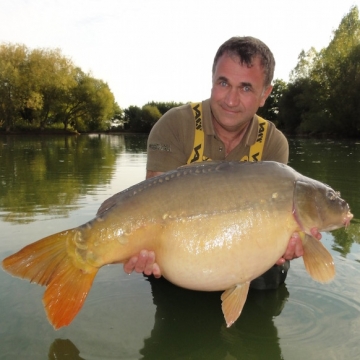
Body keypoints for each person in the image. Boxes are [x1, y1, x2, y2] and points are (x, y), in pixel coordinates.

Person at [123, 36, 321, 288]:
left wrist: (290, 241)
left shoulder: (273, 143)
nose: (230, 99)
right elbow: (151, 206)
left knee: (271, 271)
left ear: (265, 94)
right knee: (161, 275)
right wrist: (141, 249)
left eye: (246, 88)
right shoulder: (174, 125)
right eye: (224, 82)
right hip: (179, 256)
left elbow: (279, 222)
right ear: (212, 80)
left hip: (249, 256)